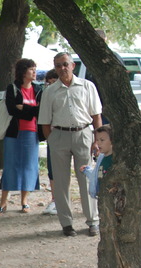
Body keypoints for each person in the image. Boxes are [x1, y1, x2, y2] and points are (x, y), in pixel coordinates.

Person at [38, 52, 102, 237]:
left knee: (87, 179)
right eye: (58, 65)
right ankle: (66, 223)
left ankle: (93, 221)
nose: (62, 68)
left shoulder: (87, 86)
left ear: (73, 65)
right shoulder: (50, 91)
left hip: (83, 134)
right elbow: (44, 121)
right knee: (60, 181)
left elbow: (96, 115)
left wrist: (97, 140)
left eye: (65, 64)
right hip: (59, 136)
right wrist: (51, 140)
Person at [0, 58, 42, 216]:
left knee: (29, 166)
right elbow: (12, 110)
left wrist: (24, 108)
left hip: (32, 133)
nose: (34, 72)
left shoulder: (39, 90)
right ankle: (3, 202)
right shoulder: (12, 88)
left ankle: (24, 201)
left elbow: (40, 111)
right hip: (13, 133)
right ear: (23, 72)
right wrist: (30, 109)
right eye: (31, 69)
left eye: (35, 69)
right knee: (10, 166)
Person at [80, 125, 114, 199]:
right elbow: (97, 174)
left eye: (102, 140)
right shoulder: (101, 157)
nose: (98, 143)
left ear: (112, 141)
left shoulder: (114, 160)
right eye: (97, 140)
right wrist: (87, 170)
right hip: (102, 196)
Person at [42, 69, 59, 215]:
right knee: (53, 170)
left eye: (54, 82)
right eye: (49, 83)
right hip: (53, 136)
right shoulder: (47, 95)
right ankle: (55, 200)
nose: (51, 85)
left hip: (69, 134)